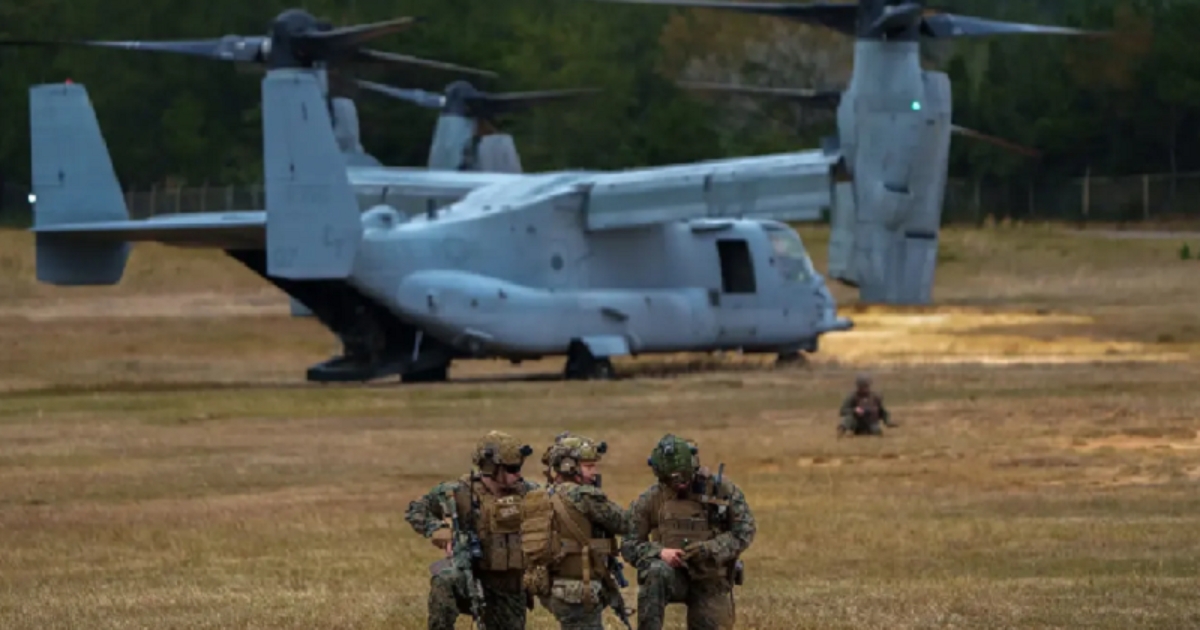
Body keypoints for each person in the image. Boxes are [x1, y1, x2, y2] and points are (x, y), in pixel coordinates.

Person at [404, 431, 537, 630]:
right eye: (512, 468)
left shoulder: (530, 492)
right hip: (471, 576)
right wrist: (437, 528)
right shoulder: (459, 491)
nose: (518, 473)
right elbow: (416, 510)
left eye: (519, 467)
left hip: (510, 588)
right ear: (491, 467)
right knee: (444, 580)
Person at [622, 434, 755, 630]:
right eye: (671, 479)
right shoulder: (651, 499)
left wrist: (710, 549)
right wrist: (659, 553)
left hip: (710, 578)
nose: (679, 483)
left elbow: (744, 530)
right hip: (672, 575)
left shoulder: (720, 490)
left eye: (683, 475)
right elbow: (628, 544)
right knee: (655, 572)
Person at [521, 432, 632, 630]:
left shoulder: (543, 494)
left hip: (551, 587)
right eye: (588, 466)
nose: (594, 472)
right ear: (568, 467)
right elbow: (624, 523)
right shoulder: (583, 496)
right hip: (577, 590)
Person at [838, 373, 897, 437]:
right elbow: (842, 410)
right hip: (857, 422)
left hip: (871, 422)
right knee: (848, 418)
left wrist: (888, 422)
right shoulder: (852, 396)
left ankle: (866, 431)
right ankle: (842, 429)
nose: (864, 389)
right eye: (862, 386)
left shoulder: (875, 397)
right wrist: (854, 410)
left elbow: (883, 411)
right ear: (858, 386)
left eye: (866, 386)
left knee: (876, 432)